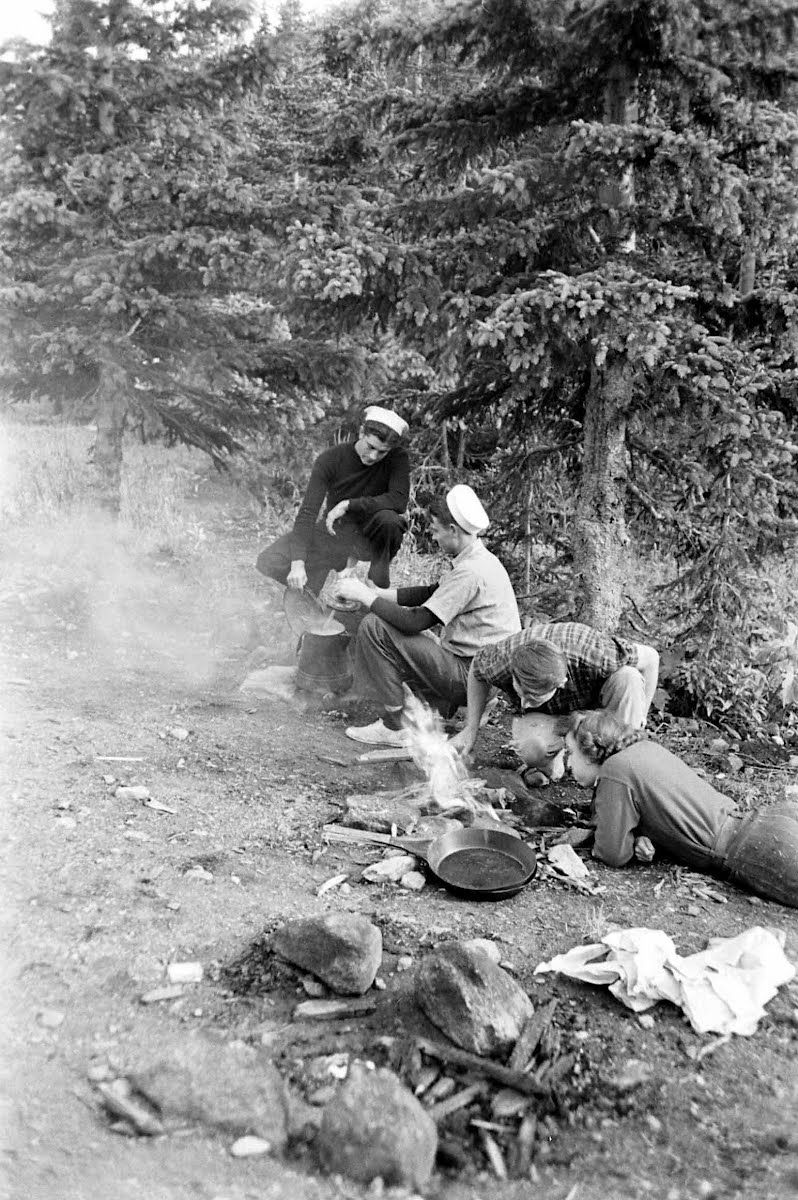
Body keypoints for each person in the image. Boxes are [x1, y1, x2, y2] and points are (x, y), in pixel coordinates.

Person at [333, 484, 522, 747]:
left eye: (435, 531)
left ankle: (395, 726)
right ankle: (425, 708)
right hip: (483, 674)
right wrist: (377, 593)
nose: (433, 538)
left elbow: (415, 621)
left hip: (470, 678)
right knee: (395, 625)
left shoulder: (470, 572)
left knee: (375, 626)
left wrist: (365, 597)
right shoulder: (480, 559)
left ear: (453, 530)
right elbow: (431, 592)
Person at [560, 708, 798, 908]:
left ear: (591, 751)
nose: (568, 763)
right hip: (769, 818)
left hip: (755, 848)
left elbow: (612, 853)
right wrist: (641, 836)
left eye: (570, 753)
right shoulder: (644, 748)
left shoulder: (614, 771)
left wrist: (626, 840)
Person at [450, 621, 660, 778]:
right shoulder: (504, 659)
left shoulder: (598, 653)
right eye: (521, 692)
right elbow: (477, 668)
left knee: (628, 678)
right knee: (533, 748)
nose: (523, 704)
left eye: (533, 697)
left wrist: (641, 715)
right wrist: (471, 729)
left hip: (596, 706)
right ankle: (553, 761)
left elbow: (651, 658)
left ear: (561, 683)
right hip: (550, 714)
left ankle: (621, 766)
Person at [256, 406, 410, 597]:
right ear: (361, 432)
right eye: (370, 447)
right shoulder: (331, 459)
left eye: (382, 452)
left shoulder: (397, 458)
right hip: (335, 532)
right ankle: (318, 584)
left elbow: (399, 500)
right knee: (269, 560)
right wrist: (298, 563)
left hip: (369, 535)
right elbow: (308, 512)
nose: (373, 456)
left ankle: (374, 588)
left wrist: (348, 504)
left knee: (390, 521)